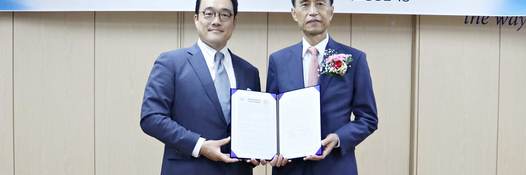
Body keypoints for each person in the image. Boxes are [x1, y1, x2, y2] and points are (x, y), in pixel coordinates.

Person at [140, 0, 261, 174]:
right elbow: (151, 118)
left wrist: (259, 150)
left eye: (225, 14)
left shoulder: (249, 72)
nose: (216, 21)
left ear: (234, 21)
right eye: (208, 13)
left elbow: (254, 126)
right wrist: (199, 145)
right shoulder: (170, 63)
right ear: (196, 18)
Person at [265, 0, 378, 174]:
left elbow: (368, 119)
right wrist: (272, 149)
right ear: (294, 13)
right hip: (290, 168)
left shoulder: (354, 59)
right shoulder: (278, 61)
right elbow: (271, 117)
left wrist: (339, 138)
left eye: (319, 4)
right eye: (304, 5)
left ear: (331, 12)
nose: (313, 11)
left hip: (336, 166)